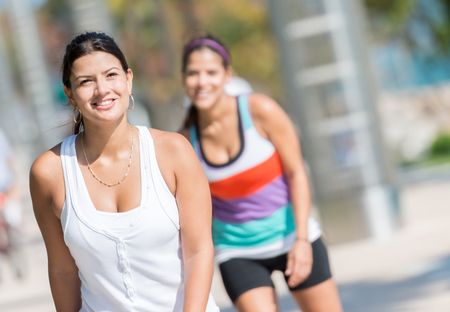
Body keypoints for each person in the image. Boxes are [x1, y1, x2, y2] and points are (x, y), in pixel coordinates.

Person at [29, 32, 219, 312]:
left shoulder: (173, 151)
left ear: (128, 79)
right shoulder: (49, 171)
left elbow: (199, 251)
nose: (102, 89)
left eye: (111, 75)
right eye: (86, 81)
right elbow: (62, 271)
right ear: (69, 93)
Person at [179, 34, 343, 312]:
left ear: (227, 75)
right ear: (184, 79)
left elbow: (297, 173)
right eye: (193, 73)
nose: (202, 81)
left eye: (211, 72)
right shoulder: (184, 141)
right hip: (238, 253)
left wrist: (302, 240)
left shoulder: (259, 110)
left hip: (293, 237)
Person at [0, 128, 25, 281]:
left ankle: (16, 252)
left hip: (6, 187)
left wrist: (15, 185)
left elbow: (10, 159)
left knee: (12, 222)